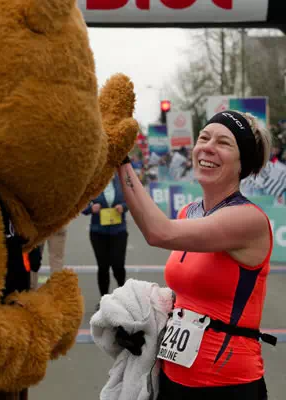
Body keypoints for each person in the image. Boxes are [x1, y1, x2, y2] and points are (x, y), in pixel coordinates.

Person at [117, 110, 276, 400]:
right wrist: (147, 324)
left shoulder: (248, 219)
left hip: (227, 384)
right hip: (173, 376)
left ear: (243, 164)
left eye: (224, 143)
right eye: (204, 137)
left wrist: (120, 158)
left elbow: (158, 232)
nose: (207, 147)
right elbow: (186, 298)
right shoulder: (188, 212)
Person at [82, 173, 129, 310]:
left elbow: (130, 201)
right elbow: (81, 206)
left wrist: (123, 207)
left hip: (119, 231)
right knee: (103, 267)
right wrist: (91, 209)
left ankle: (123, 299)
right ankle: (104, 300)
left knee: (118, 265)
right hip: (98, 232)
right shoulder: (93, 181)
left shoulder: (121, 181)